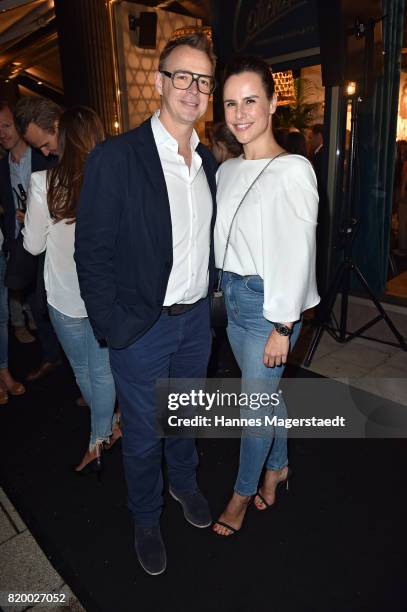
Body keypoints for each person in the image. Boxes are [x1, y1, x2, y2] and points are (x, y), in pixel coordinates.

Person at [75, 32, 217, 575]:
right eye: (183, 76)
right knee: (141, 436)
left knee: (184, 420)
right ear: (159, 82)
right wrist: (113, 327)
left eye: (203, 80)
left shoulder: (207, 162)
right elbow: (92, 251)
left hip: (196, 323)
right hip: (142, 328)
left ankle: (183, 485)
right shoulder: (117, 157)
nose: (193, 89)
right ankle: (145, 516)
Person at [213, 56, 319, 536]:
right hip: (233, 300)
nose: (240, 113)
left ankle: (239, 495)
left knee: (252, 407)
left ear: (273, 103)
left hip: (267, 306)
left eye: (250, 100)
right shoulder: (227, 170)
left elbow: (297, 253)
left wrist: (281, 325)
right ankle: (279, 465)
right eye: (232, 102)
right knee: (263, 398)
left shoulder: (293, 169)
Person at [22, 106, 117, 472]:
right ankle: (104, 432)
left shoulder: (42, 183)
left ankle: (99, 437)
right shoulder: (111, 177)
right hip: (104, 295)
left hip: (64, 295)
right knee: (103, 371)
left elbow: (32, 246)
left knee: (82, 370)